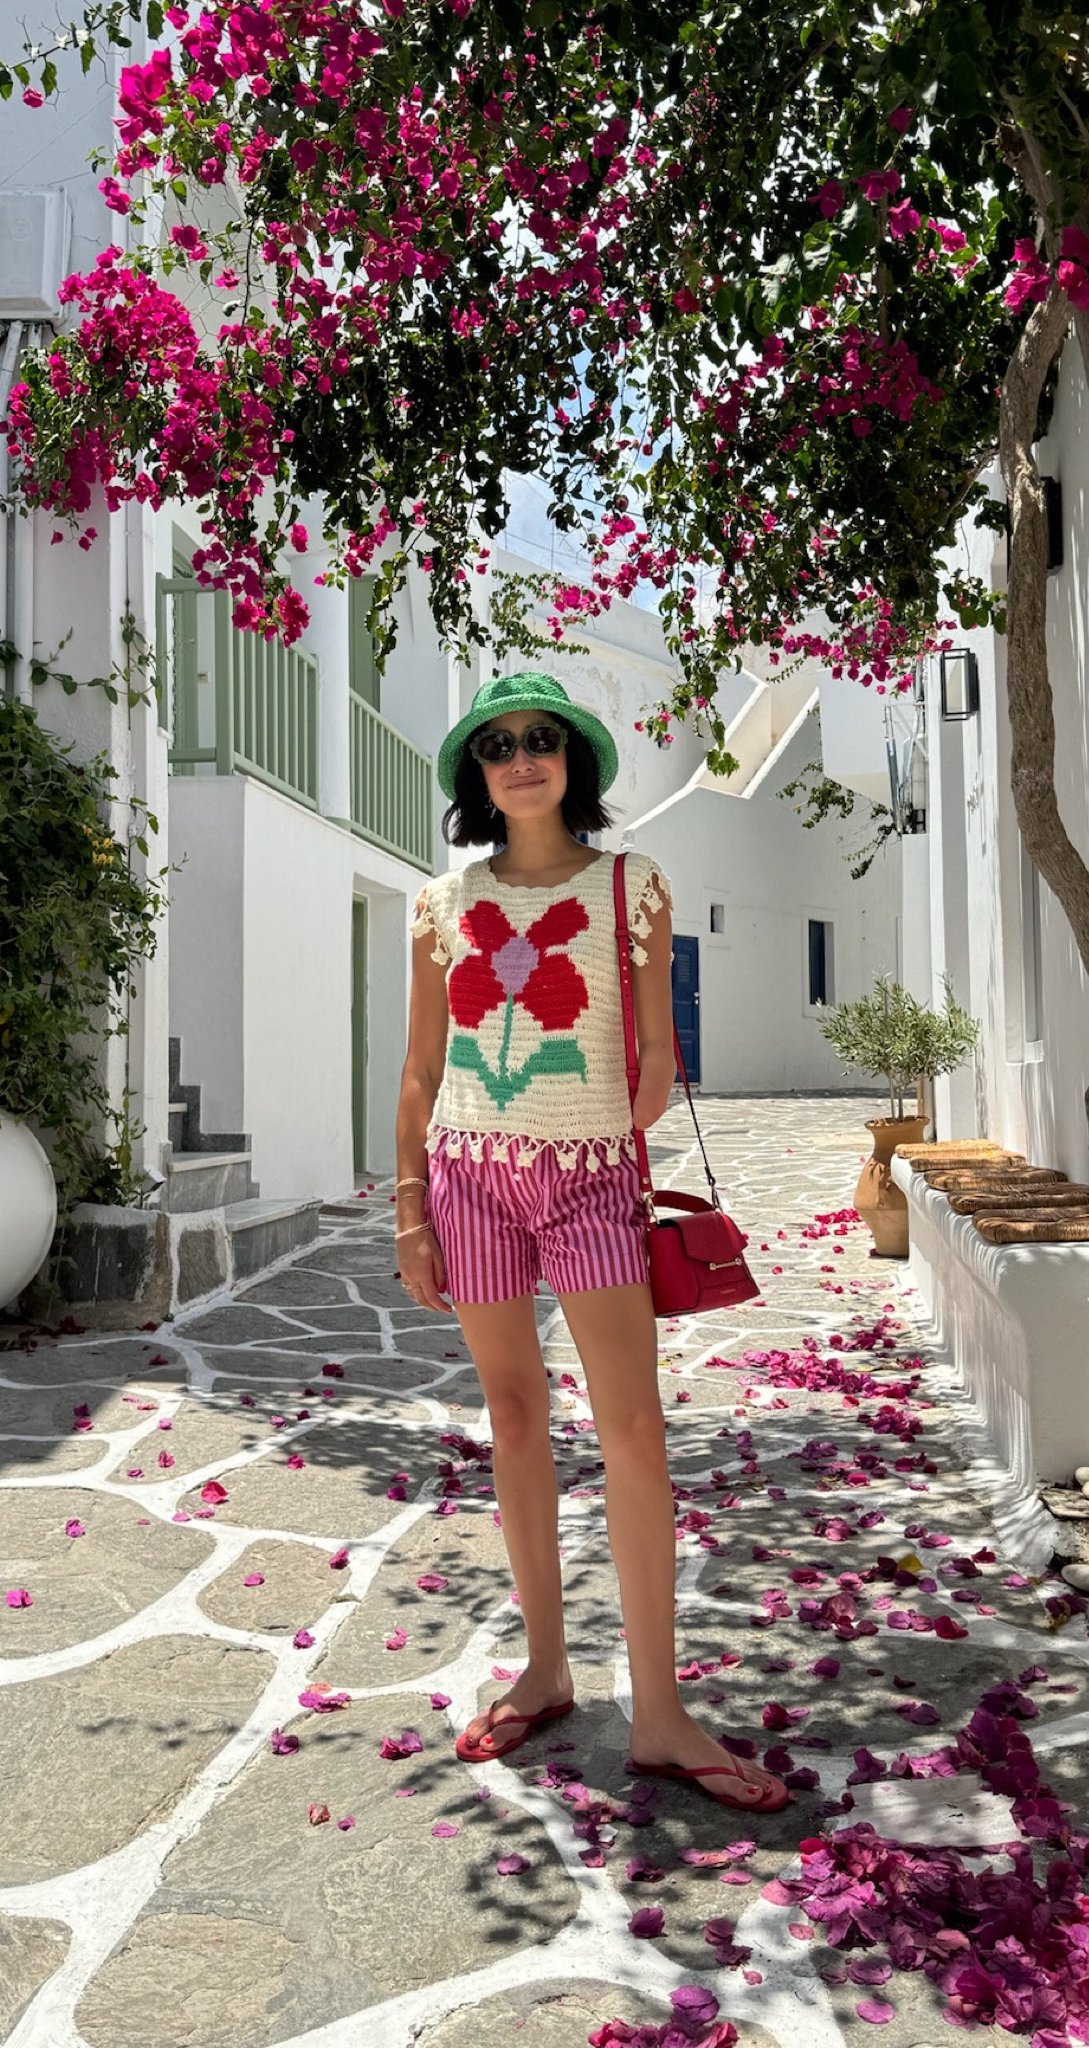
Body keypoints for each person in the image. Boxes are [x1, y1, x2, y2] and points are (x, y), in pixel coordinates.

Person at [394, 671, 787, 1814]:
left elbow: (660, 1053)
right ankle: (547, 1667)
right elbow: (423, 1069)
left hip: (590, 1184)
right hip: (467, 1181)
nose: (522, 757)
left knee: (631, 1422)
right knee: (513, 1413)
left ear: (572, 761)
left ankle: (660, 1709)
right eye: (499, 743)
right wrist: (411, 1204)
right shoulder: (441, 903)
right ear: (477, 771)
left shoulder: (633, 885)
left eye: (542, 739)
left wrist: (593, 1132)